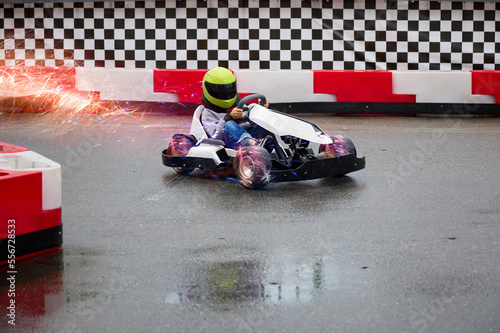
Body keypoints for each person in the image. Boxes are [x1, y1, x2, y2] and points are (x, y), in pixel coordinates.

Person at [200, 67, 270, 149]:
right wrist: (229, 118)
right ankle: (251, 143)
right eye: (220, 91)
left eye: (228, 89)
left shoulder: (238, 104)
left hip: (249, 136)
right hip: (228, 143)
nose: (225, 94)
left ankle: (282, 141)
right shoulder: (207, 113)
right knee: (229, 125)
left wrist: (260, 108)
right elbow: (214, 136)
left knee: (265, 121)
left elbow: (249, 122)